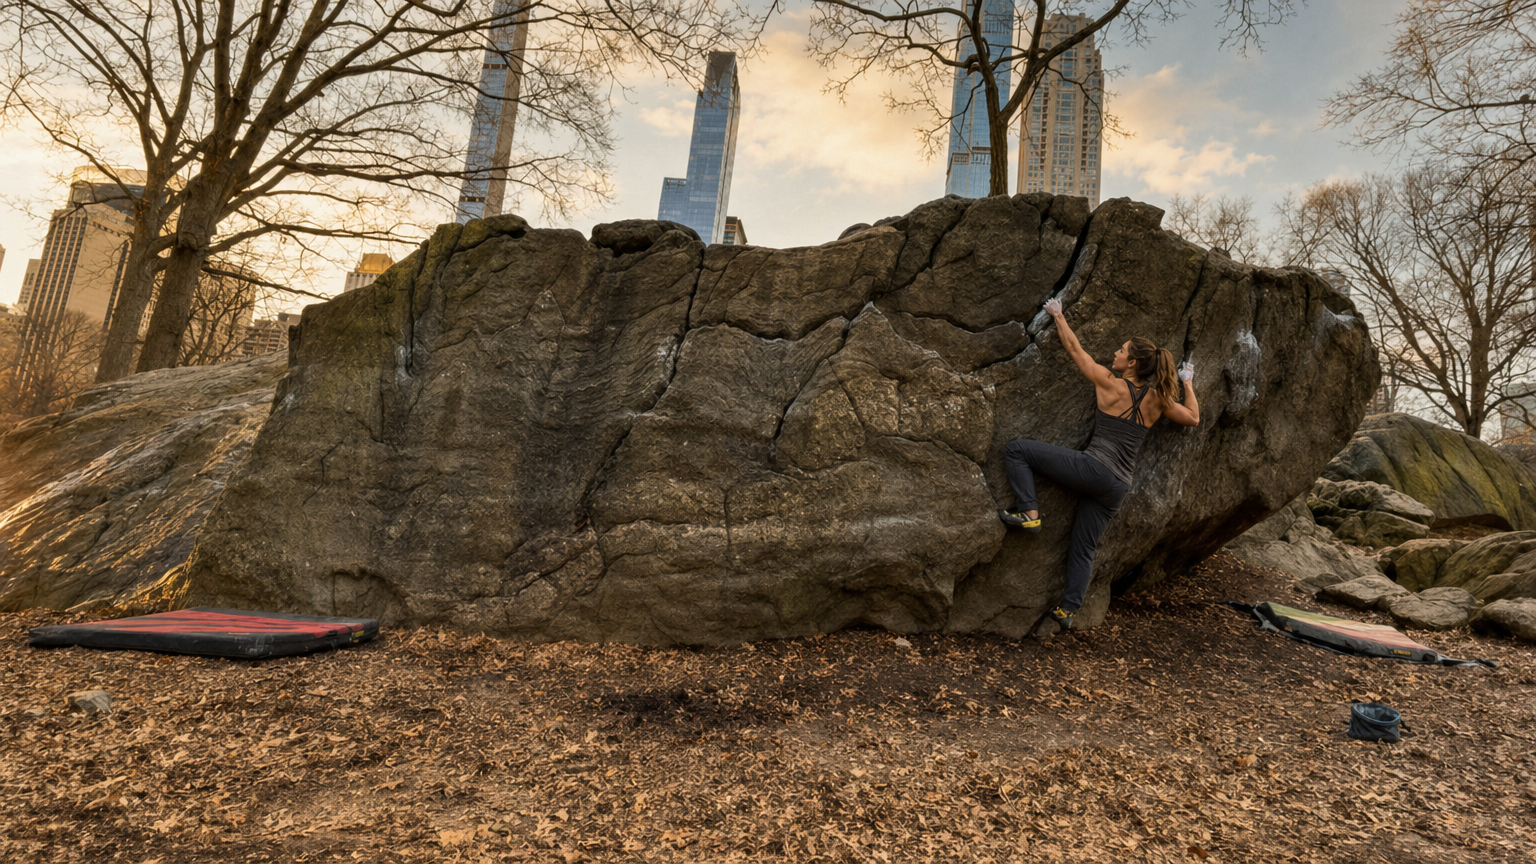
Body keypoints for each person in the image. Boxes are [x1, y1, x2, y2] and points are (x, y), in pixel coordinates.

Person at [999, 297, 1200, 632]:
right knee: (1083, 548)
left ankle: (1029, 513)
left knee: (1017, 450)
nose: (1115, 354)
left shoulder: (1109, 382)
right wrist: (1188, 382)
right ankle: (1068, 610)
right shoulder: (1158, 400)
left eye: (1121, 351)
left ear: (1132, 362)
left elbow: (1076, 351)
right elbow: (1193, 417)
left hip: (1093, 470)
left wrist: (1058, 315)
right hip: (1118, 487)